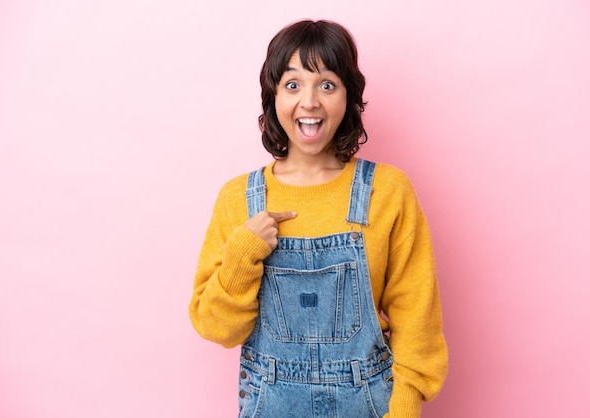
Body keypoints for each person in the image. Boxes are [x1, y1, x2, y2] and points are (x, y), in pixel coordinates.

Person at [189, 19, 448, 418]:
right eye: (293, 85)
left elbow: (418, 319)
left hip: (369, 405)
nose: (309, 102)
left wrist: (404, 406)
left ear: (348, 96)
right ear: (273, 96)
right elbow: (216, 328)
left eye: (327, 84)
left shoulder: (387, 191)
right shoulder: (238, 199)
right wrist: (244, 253)